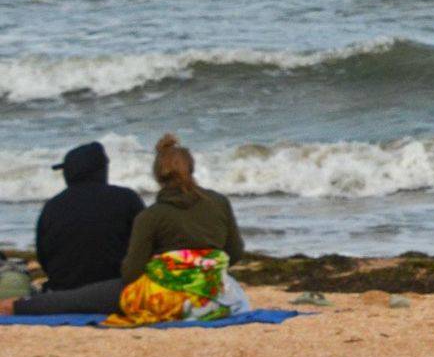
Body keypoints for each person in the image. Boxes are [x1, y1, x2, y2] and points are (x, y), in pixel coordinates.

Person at [104, 133, 248, 326]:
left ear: (157, 176)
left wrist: (167, 270)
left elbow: (131, 273)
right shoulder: (220, 203)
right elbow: (235, 252)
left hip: (170, 303)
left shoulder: (150, 217)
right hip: (216, 298)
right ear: (191, 168)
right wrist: (201, 271)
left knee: (103, 296)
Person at [0, 141, 143, 316]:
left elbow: (44, 256)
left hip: (61, 293)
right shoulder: (127, 199)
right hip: (117, 291)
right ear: (102, 170)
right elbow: (142, 250)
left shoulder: (52, 206)